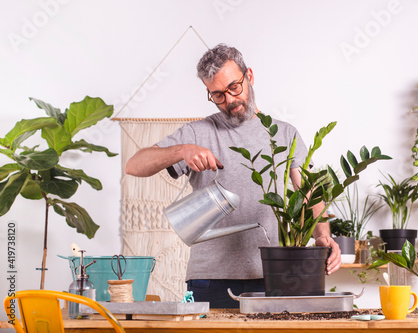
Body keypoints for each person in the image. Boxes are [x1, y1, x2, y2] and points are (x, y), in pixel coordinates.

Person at [125, 44, 341, 308]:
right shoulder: (198, 133)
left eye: (234, 88)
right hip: (210, 279)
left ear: (249, 76)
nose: (229, 100)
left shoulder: (284, 134)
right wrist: (182, 150)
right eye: (217, 94)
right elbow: (134, 165)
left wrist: (321, 235)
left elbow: (308, 192)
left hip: (276, 276)